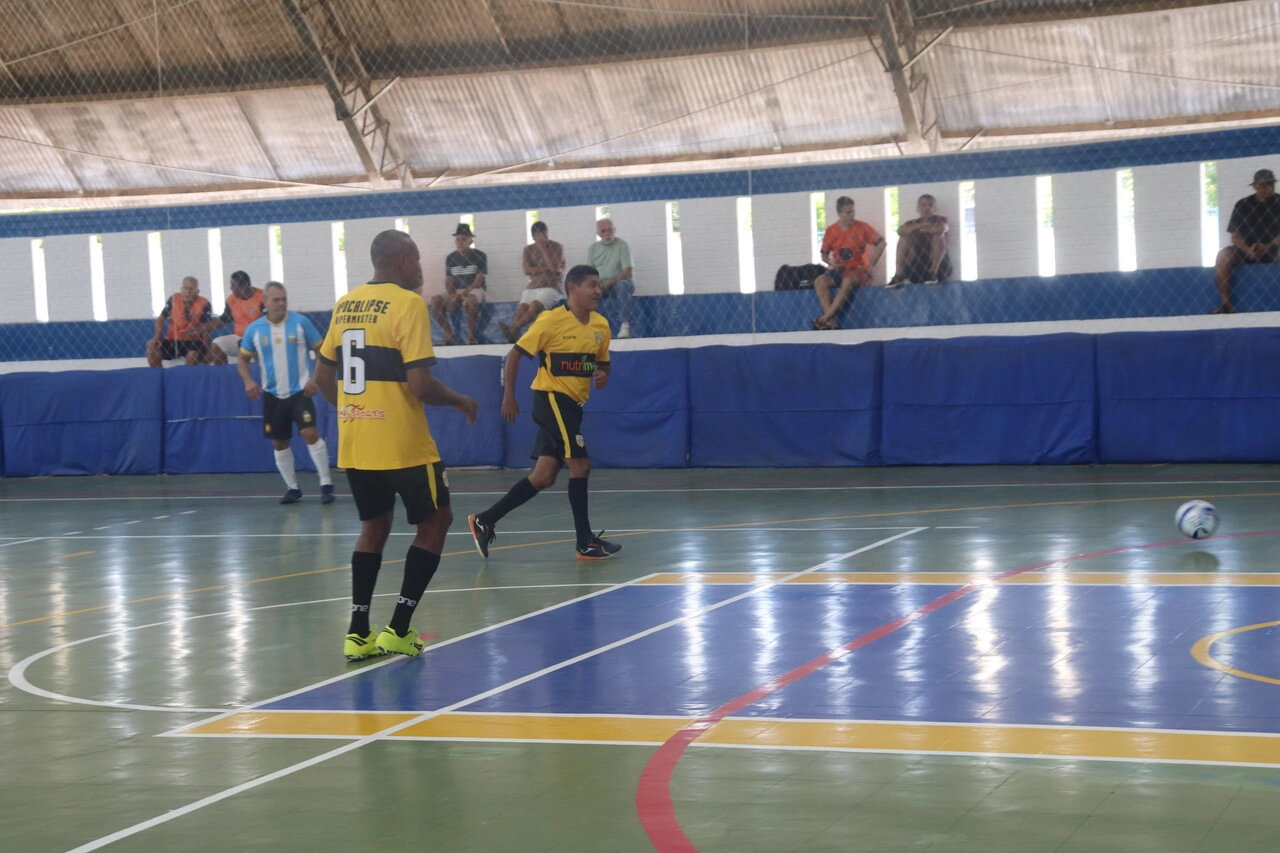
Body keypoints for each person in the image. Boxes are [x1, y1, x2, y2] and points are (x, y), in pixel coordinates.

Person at [314, 230, 480, 660]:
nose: (423, 268)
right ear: (404, 260)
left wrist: (352, 410)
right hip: (402, 442)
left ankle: (357, 633)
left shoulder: (345, 304)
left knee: (374, 527)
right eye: (419, 258)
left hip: (356, 440)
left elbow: (320, 379)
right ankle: (399, 628)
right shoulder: (408, 304)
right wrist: (461, 399)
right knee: (437, 520)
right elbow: (420, 384)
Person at [468, 264, 621, 562]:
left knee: (544, 475)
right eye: (591, 284)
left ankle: (485, 520)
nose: (598, 290)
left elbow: (602, 364)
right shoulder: (550, 321)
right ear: (572, 289)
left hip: (573, 407)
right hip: (551, 399)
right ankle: (585, 542)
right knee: (581, 465)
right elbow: (515, 354)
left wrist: (603, 374)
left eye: (599, 284)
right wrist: (509, 395)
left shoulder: (601, 326)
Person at [237, 281, 334, 506]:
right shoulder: (255, 329)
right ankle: (293, 488)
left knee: (309, 433)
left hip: (301, 392)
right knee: (279, 443)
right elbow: (242, 359)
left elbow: (323, 352)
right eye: (276, 300)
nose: (281, 303)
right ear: (265, 302)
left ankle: (326, 483)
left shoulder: (301, 323)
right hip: (272, 394)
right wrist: (248, 381)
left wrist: (315, 379)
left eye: (284, 299)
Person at [1212, 168, 1280, 314]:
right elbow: (1235, 236)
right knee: (1222, 256)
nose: (1267, 188)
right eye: (1263, 185)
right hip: (1247, 249)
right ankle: (1225, 304)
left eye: (1270, 185)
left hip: (1274, 248)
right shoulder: (1242, 205)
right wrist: (1247, 250)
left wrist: (1269, 246)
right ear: (1255, 186)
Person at [812, 196, 885, 331]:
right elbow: (824, 255)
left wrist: (871, 265)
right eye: (848, 212)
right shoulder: (831, 230)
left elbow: (882, 243)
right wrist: (832, 263)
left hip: (858, 270)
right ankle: (832, 321)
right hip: (839, 269)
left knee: (848, 281)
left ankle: (825, 318)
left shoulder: (862, 227)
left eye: (853, 212)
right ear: (839, 213)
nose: (852, 215)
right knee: (819, 281)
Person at [500, 220, 565, 342]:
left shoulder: (557, 247)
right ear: (533, 237)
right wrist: (544, 268)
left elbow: (554, 268)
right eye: (540, 236)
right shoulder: (528, 250)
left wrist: (543, 250)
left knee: (535, 305)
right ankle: (513, 334)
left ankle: (513, 329)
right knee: (523, 307)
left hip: (552, 286)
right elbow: (526, 270)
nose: (544, 238)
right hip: (533, 286)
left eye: (545, 235)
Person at [429, 223, 489, 346]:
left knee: (471, 300)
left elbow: (479, 281)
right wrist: (452, 295)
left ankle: (472, 336)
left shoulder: (480, 255)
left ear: (470, 241)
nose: (460, 242)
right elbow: (449, 281)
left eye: (463, 239)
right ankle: (450, 336)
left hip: (474, 289)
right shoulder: (450, 258)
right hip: (456, 290)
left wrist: (462, 295)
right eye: (457, 239)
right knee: (435, 300)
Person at [146, 276, 218, 366]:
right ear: (181, 289)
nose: (188, 292)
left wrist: (207, 348)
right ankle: (158, 376)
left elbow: (206, 328)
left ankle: (186, 378)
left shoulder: (204, 303)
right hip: (173, 339)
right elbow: (161, 318)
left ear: (197, 291)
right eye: (185, 288)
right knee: (152, 348)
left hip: (193, 341)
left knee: (193, 355)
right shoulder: (174, 299)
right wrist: (157, 337)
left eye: (191, 289)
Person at [887, 194, 953, 288]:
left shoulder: (941, 219)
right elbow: (900, 231)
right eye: (923, 205)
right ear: (918, 208)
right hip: (918, 266)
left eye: (930, 205)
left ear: (935, 208)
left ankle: (932, 273)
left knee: (938, 235)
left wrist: (915, 229)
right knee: (905, 237)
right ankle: (898, 275)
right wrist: (922, 225)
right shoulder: (911, 223)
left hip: (940, 267)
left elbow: (941, 228)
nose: (927, 208)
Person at [586, 217, 636, 338]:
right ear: (598, 234)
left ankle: (625, 325)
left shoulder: (621, 245)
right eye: (603, 231)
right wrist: (597, 283)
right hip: (600, 284)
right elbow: (588, 273)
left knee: (622, 285)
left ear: (614, 230)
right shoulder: (593, 249)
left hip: (618, 283)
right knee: (585, 290)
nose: (607, 233)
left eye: (609, 230)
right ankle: (593, 327)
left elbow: (628, 272)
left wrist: (610, 283)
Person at [209, 271, 264, 365]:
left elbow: (267, 321)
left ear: (244, 286)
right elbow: (223, 320)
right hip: (238, 337)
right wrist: (201, 328)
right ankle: (222, 376)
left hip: (259, 338)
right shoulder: (231, 299)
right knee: (217, 344)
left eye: (233, 285)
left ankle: (259, 373)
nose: (231, 288)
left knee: (255, 346)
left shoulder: (262, 297)